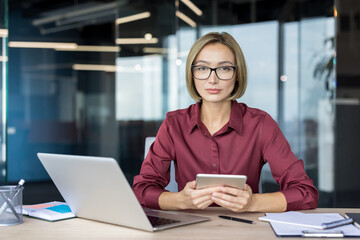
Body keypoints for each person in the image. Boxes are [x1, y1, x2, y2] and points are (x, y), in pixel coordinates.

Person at [133, 32, 319, 212]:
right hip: (187, 230)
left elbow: (306, 193)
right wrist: (180, 201)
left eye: (224, 68)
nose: (212, 79)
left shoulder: (260, 124)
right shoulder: (174, 124)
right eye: (203, 68)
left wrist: (253, 202)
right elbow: (142, 190)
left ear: (237, 75)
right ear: (192, 74)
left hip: (245, 231)